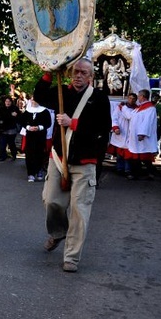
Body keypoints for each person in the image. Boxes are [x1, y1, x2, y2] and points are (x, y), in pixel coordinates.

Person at [34, 58, 112, 273]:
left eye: (83, 73)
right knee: (51, 201)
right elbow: (39, 96)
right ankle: (58, 232)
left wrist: (73, 123)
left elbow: (103, 129)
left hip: (85, 162)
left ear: (90, 77)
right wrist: (49, 73)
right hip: (59, 158)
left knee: (79, 211)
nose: (78, 75)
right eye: (75, 71)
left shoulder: (99, 98)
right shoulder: (62, 92)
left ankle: (71, 257)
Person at [122, 88, 158, 180]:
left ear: (142, 96)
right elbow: (130, 116)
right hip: (135, 135)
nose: (137, 97)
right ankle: (137, 173)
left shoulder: (150, 108)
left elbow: (147, 122)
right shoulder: (139, 107)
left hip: (142, 136)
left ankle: (150, 173)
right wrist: (124, 108)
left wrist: (142, 133)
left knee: (145, 155)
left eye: (138, 96)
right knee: (136, 154)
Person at [19, 97, 51, 182]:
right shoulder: (28, 111)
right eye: (32, 100)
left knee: (39, 153)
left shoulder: (44, 111)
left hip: (40, 136)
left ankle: (39, 170)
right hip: (30, 135)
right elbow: (22, 121)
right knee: (29, 154)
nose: (33, 102)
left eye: (35, 100)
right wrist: (28, 127)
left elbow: (48, 123)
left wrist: (39, 127)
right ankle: (31, 173)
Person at [107, 92, 137, 176]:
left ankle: (127, 170)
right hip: (121, 132)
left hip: (130, 134)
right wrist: (115, 127)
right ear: (128, 98)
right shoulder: (119, 108)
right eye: (130, 98)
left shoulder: (137, 109)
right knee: (119, 153)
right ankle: (119, 168)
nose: (131, 100)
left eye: (134, 99)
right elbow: (114, 118)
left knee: (128, 154)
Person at [0, 96, 20, 161]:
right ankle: (3, 156)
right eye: (6, 101)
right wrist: (9, 115)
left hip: (11, 129)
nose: (7, 103)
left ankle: (14, 155)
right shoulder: (1, 108)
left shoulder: (14, 108)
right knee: (2, 143)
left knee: (11, 143)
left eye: (9, 101)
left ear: (11, 102)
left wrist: (14, 116)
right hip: (3, 129)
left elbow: (18, 117)